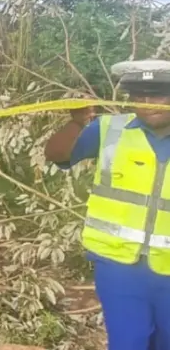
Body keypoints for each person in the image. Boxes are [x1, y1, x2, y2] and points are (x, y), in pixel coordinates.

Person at [46, 59, 170, 350]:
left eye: (158, 94)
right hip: (119, 268)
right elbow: (56, 154)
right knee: (131, 342)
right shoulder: (109, 130)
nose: (148, 102)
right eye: (140, 96)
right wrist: (77, 123)